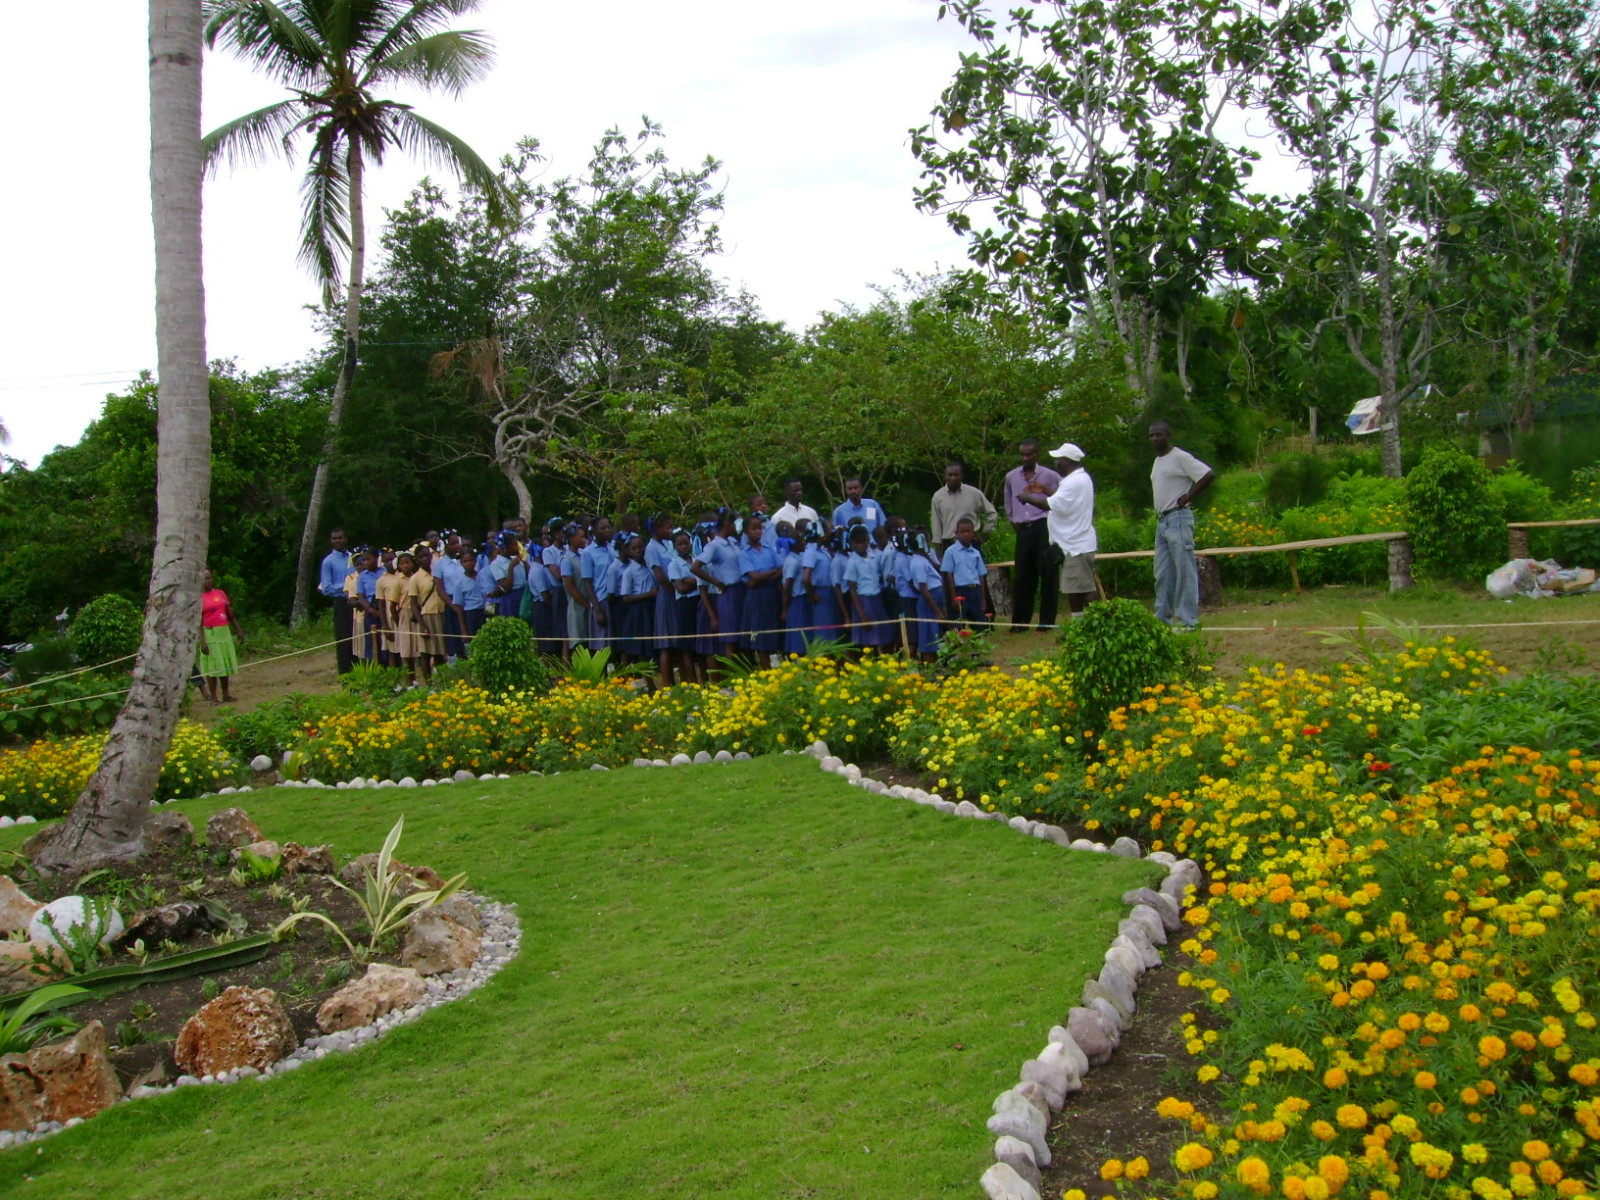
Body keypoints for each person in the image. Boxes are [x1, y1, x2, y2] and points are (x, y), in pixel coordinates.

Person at [1016, 442, 1098, 619]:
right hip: (1074, 544)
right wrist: (1044, 489)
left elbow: (1049, 504)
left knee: (1084, 588)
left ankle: (1096, 623)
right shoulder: (1079, 478)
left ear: (1067, 461)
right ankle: (1081, 624)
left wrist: (1028, 497)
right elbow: (1062, 500)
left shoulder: (1073, 482)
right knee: (1075, 588)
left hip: (1076, 545)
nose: (1056, 463)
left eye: (1058, 459)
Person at [1149, 420, 1215, 630]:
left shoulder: (1179, 456)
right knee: (1163, 573)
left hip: (1177, 518)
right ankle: (1162, 620)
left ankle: (1188, 622)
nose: (1155, 438)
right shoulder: (1158, 461)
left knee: (1184, 571)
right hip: (1162, 521)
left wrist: (1189, 496)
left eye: (1159, 434)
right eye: (1152, 435)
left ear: (1168, 435)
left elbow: (1208, 474)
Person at [1003, 439, 1063, 632]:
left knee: (1048, 574)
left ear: (1037, 454)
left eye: (1029, 455)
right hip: (1023, 529)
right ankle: (1020, 623)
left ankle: (1046, 622)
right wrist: (1016, 524)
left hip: (1044, 527)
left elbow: (1062, 498)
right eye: (1022, 454)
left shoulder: (1050, 475)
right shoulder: (1011, 477)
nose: (1025, 458)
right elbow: (1009, 505)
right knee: (1023, 577)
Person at [692, 508, 745, 666]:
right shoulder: (714, 546)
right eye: (734, 523)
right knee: (730, 638)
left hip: (740, 590)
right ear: (727, 524)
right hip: (727, 592)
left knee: (741, 636)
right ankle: (733, 673)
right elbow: (695, 567)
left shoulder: (732, 542)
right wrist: (715, 581)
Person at [840, 524, 895, 650]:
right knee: (869, 639)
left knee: (884, 636)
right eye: (859, 542)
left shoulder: (872, 557)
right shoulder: (852, 562)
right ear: (852, 543)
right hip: (864, 602)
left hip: (877, 599)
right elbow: (852, 590)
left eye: (865, 542)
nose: (863, 545)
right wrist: (862, 615)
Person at [739, 514, 783, 666]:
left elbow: (781, 569)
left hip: (772, 594)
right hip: (757, 598)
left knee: (774, 633)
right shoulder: (744, 553)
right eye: (754, 528)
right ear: (746, 531)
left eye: (760, 528)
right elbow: (753, 577)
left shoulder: (769, 549)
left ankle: (776, 668)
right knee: (761, 637)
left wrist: (763, 577)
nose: (758, 531)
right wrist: (771, 573)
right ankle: (766, 670)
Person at [197, 568, 245, 703]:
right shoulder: (198, 597)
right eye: (205, 579)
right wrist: (202, 641)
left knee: (224, 664)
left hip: (223, 632)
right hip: (210, 634)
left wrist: (238, 630)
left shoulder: (220, 593)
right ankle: (213, 697)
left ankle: (226, 694)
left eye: (210, 578)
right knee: (213, 666)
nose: (209, 581)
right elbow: (198, 622)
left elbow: (230, 614)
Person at [930, 462, 998, 552]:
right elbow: (936, 526)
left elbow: (991, 513)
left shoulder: (974, 493)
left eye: (956, 475)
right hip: (949, 544)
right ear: (945, 476)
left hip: (971, 543)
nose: (953, 478)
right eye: (950, 475)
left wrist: (985, 535)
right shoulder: (938, 497)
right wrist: (938, 552)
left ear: (962, 476)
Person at [940, 517, 993, 629]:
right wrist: (953, 597)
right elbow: (948, 575)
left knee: (979, 624)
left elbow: (981, 575)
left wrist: (983, 598)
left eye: (968, 531)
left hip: (975, 591)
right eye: (962, 532)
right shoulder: (950, 551)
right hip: (960, 591)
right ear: (956, 533)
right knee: (959, 623)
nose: (966, 534)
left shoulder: (976, 553)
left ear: (973, 533)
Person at [906, 531, 948, 662]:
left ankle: (936, 663)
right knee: (929, 636)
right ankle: (929, 664)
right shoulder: (918, 563)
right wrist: (937, 611)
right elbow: (924, 589)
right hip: (929, 602)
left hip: (935, 597)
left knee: (935, 635)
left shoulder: (924, 559)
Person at [319, 528, 354, 675]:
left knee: (358, 639)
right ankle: (346, 677)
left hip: (358, 603)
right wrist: (347, 585)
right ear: (331, 541)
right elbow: (326, 588)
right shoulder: (328, 561)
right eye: (334, 538)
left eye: (340, 538)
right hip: (342, 604)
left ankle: (361, 675)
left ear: (346, 539)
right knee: (343, 641)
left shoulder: (353, 557)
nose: (337, 541)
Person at [450, 546, 488, 655]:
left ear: (475, 561)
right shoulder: (459, 582)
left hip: (485, 611)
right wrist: (463, 630)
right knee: (474, 645)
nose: (469, 564)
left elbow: (488, 595)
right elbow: (459, 607)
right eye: (465, 561)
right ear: (461, 563)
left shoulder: (482, 576)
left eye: (471, 560)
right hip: (471, 615)